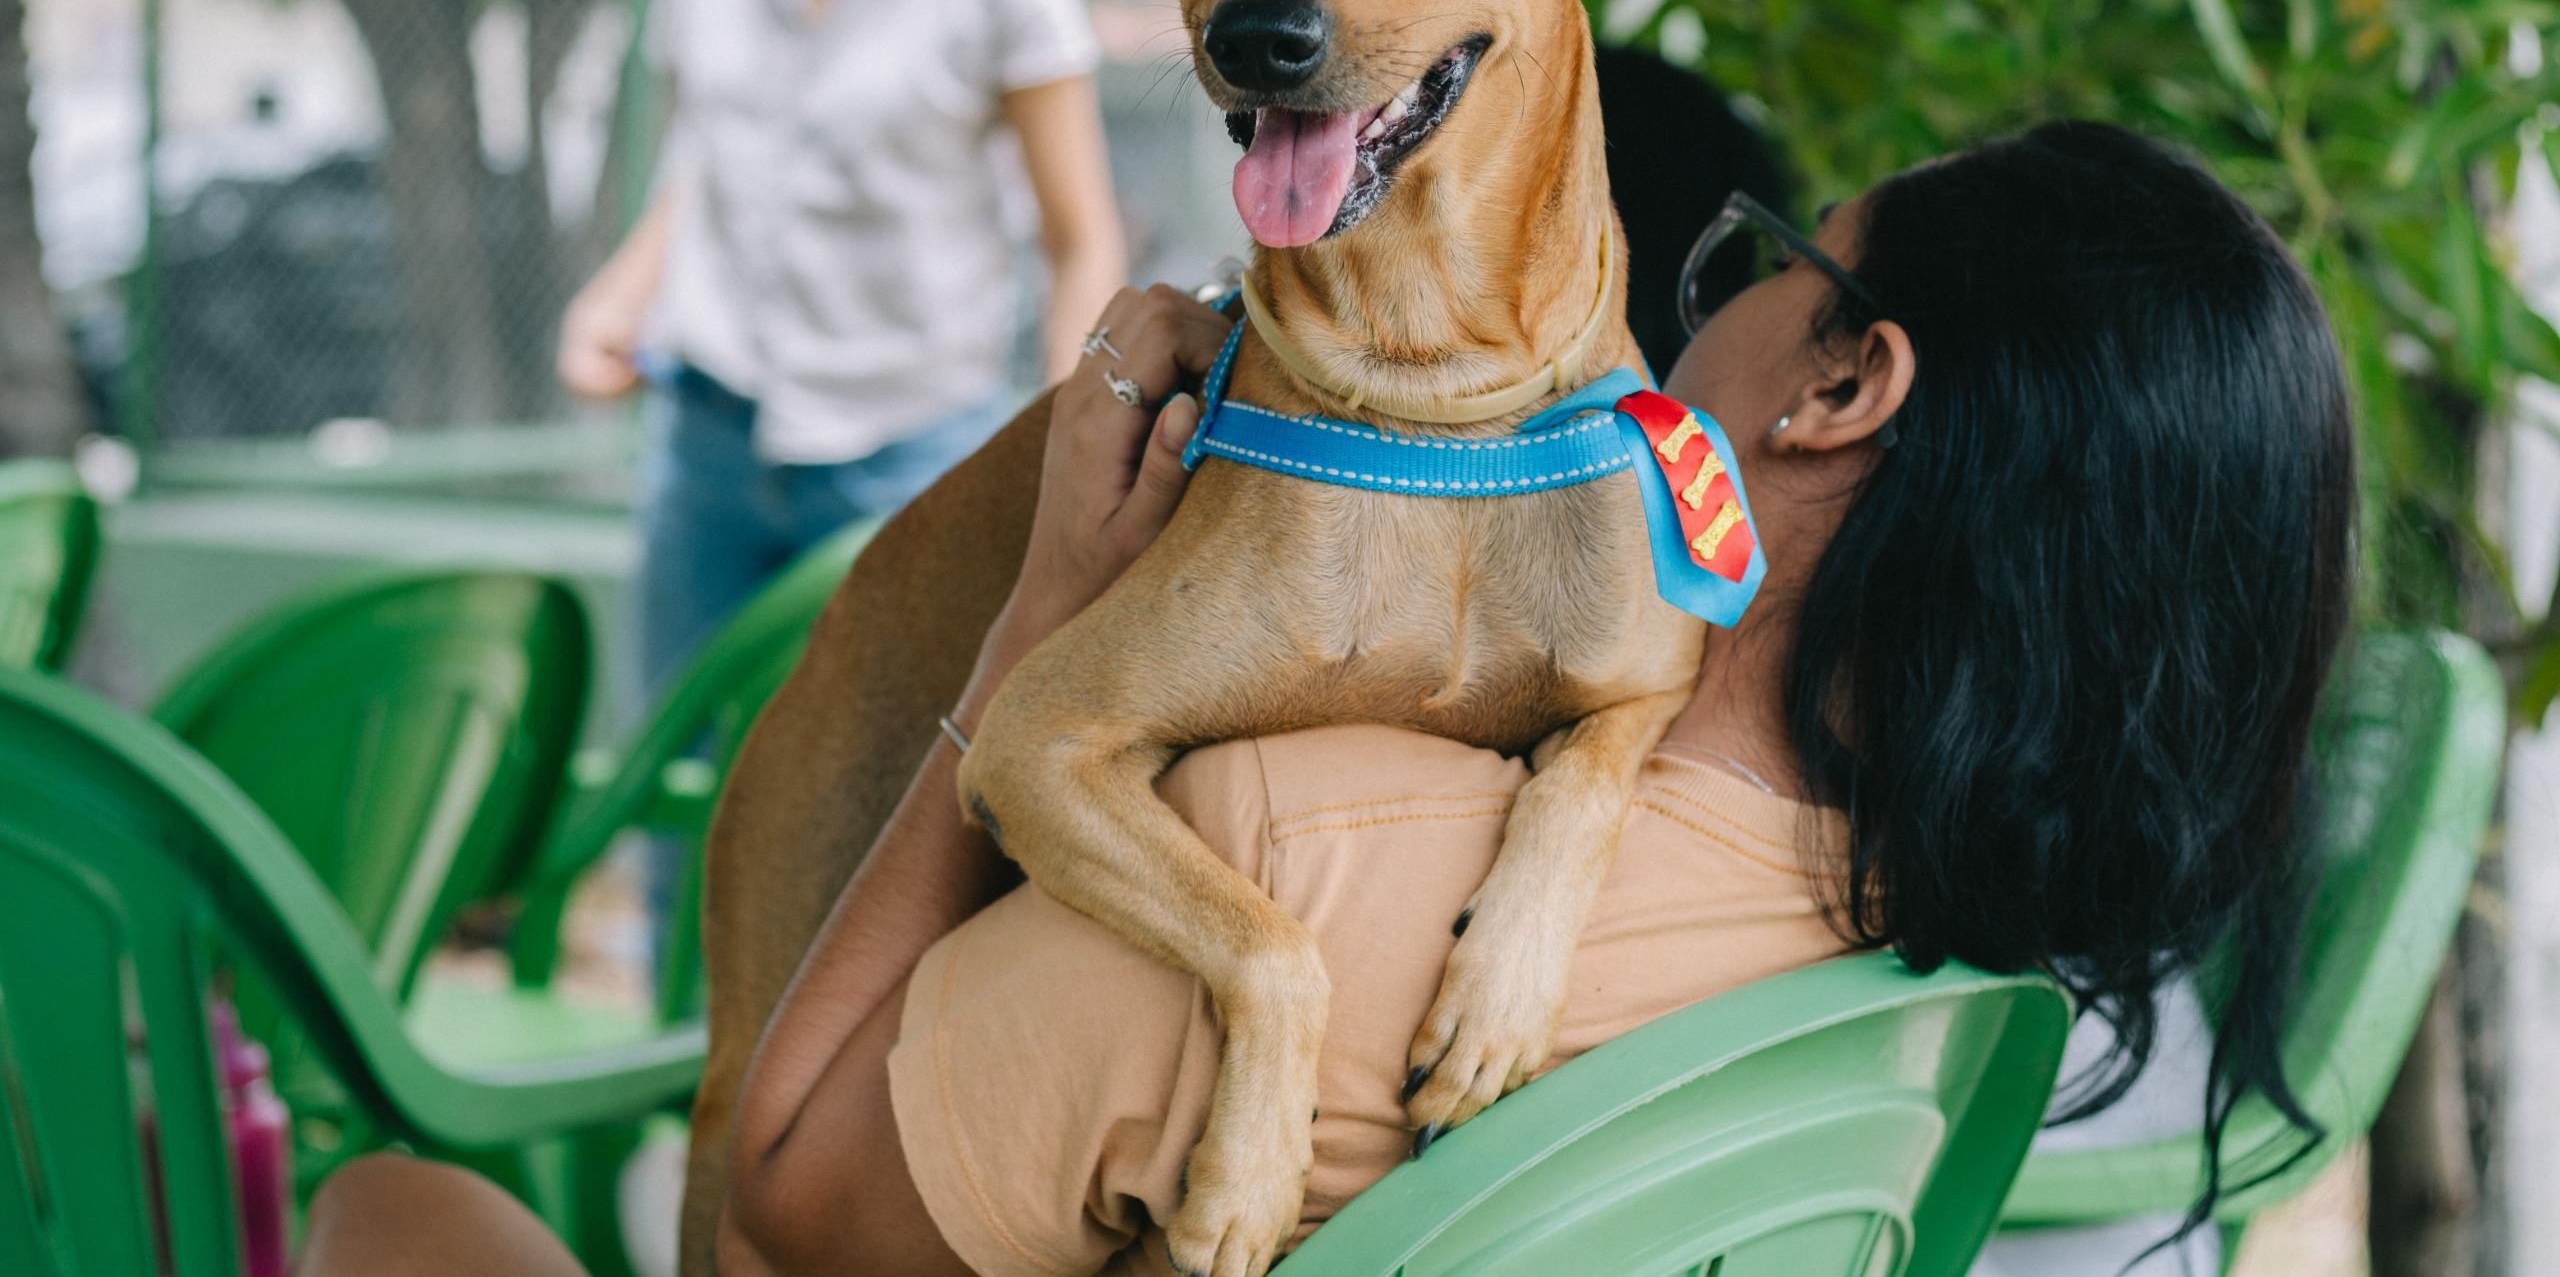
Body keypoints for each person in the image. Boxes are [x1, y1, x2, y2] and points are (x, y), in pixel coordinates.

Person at [308, 122, 2352, 1277]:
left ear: (1838, 386)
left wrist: (1041, 622)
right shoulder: (1954, 984)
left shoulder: (1302, 852)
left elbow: (795, 1194)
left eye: (1769, 263)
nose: (1702, 307)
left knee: (392, 1209)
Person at [560, 0, 1128, 691]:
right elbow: (706, 160)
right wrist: (619, 297)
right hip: (706, 442)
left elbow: (1079, 241)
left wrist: (1062, 456)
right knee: (671, 760)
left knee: (882, 778)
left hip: (907, 460)